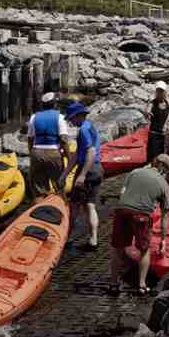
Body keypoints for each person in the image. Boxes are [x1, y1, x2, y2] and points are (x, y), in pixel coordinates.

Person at [111, 154, 169, 296]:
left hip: (122, 211)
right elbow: (165, 216)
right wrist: (163, 240)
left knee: (118, 249)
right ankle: (141, 285)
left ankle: (113, 284)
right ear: (164, 169)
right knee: (144, 250)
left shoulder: (135, 172)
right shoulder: (164, 185)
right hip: (141, 215)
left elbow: (122, 193)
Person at [65, 102, 102, 249]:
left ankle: (67, 237)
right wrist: (65, 173)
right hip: (98, 168)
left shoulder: (84, 130)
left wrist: (82, 175)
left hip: (88, 169)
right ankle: (93, 239)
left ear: (79, 116)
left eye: (72, 118)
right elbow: (77, 154)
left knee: (74, 205)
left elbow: (90, 152)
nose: (71, 122)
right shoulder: (90, 126)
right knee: (90, 205)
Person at [26, 93, 70, 197]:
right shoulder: (59, 117)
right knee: (59, 187)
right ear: (55, 104)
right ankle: (60, 206)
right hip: (53, 153)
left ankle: (39, 206)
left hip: (37, 153)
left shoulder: (34, 117)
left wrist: (32, 154)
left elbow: (30, 139)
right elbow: (63, 140)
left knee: (39, 191)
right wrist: (69, 158)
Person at [147, 81, 169, 161]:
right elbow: (148, 110)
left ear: (165, 92)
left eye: (161, 91)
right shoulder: (152, 103)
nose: (160, 93)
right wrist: (147, 113)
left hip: (165, 135)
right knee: (154, 157)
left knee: (164, 156)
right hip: (154, 135)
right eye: (158, 91)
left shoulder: (168, 104)